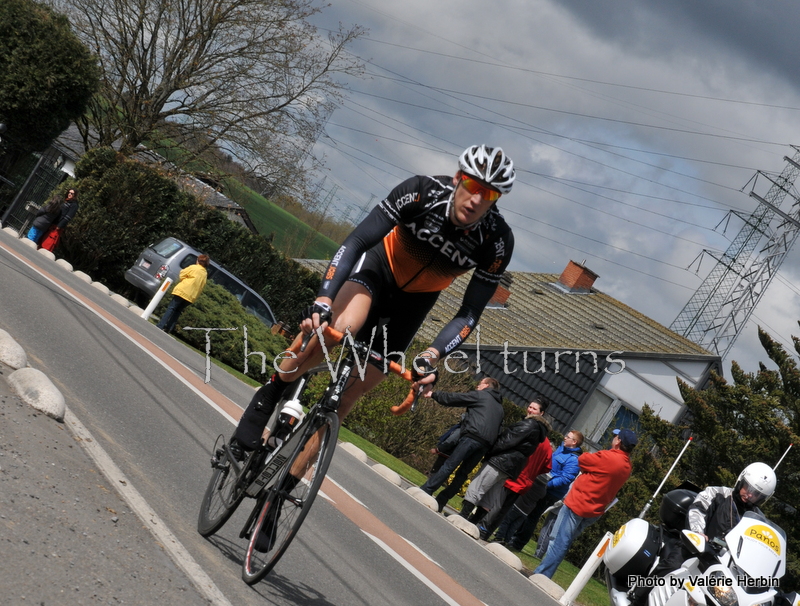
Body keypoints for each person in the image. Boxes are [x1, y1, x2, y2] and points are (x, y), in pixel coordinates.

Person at [230, 144, 516, 550]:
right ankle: (272, 393)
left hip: (412, 307)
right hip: (375, 275)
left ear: (496, 200)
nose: (475, 198)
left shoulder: (496, 241)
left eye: (488, 194)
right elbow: (358, 239)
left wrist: (433, 355)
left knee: (348, 398)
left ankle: (276, 499)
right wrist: (325, 297)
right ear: (458, 179)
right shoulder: (421, 191)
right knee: (336, 331)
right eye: (471, 184)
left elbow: (470, 313)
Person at [534, 428, 636, 579]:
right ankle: (544, 572)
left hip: (578, 504)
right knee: (563, 542)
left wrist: (590, 471)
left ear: (618, 441)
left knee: (558, 541)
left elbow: (582, 460)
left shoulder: (608, 456)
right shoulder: (627, 466)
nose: (613, 438)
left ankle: (542, 574)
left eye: (616, 436)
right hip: (594, 510)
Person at [459, 399, 549, 535]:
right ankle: (474, 521)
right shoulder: (539, 431)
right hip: (511, 468)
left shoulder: (529, 424)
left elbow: (507, 440)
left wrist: (490, 451)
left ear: (541, 413)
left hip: (500, 461)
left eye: (534, 409)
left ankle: (463, 516)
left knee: (477, 487)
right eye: (529, 406)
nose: (530, 410)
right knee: (490, 496)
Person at [419, 376, 506, 512]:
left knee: (450, 465)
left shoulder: (481, 396)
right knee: (462, 474)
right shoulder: (500, 409)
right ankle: (442, 500)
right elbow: (499, 430)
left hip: (472, 436)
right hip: (485, 444)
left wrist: (434, 394)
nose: (477, 386)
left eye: (480, 384)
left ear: (487, 386)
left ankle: (427, 489)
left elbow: (456, 398)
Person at [496, 429, 583, 550]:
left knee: (533, 515)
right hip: (541, 485)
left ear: (574, 442)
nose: (564, 438)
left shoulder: (574, 460)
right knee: (525, 512)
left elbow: (565, 479)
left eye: (567, 437)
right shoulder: (561, 448)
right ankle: (511, 537)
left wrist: (546, 484)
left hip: (551, 492)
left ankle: (518, 543)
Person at [687, 462, 776, 541]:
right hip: (700, 550)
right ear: (741, 482)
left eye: (756, 494)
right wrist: (697, 533)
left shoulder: (759, 519)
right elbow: (698, 510)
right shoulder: (717, 494)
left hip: (730, 559)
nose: (750, 495)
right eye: (748, 488)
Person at [157, 254, 210, 333]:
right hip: (191, 296)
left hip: (182, 291)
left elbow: (182, 274)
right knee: (178, 311)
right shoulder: (205, 273)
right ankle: (168, 328)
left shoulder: (194, 267)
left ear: (198, 261)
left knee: (171, 308)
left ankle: (160, 325)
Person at [39, 188, 79, 252]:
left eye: (72, 193)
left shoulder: (74, 205)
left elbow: (68, 217)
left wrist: (59, 226)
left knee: (50, 241)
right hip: (53, 223)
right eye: (69, 192)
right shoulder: (66, 201)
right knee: (44, 238)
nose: (69, 194)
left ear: (75, 195)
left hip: (57, 226)